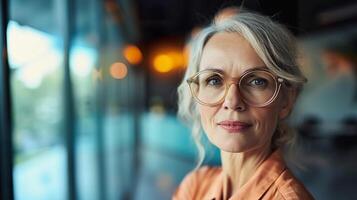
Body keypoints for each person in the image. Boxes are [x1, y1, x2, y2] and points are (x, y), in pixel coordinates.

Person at [173, 10, 314, 200]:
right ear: (196, 93)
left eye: (256, 81)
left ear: (286, 100)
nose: (232, 102)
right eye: (214, 80)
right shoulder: (196, 185)